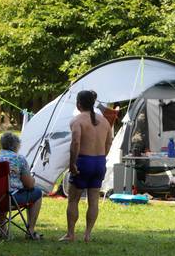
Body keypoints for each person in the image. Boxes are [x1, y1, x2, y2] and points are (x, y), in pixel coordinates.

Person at [59, 90, 112, 242]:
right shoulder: (105, 121)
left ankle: (70, 234)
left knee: (73, 200)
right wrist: (101, 157)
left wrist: (72, 164)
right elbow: (109, 142)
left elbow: (75, 143)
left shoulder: (77, 120)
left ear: (78, 104)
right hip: (99, 162)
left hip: (83, 161)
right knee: (93, 200)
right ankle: (87, 234)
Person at [0, 132, 43, 240]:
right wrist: (32, 178)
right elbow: (29, 185)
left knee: (2, 191)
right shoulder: (19, 159)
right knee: (38, 193)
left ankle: (3, 230)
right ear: (16, 146)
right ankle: (30, 231)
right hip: (12, 198)